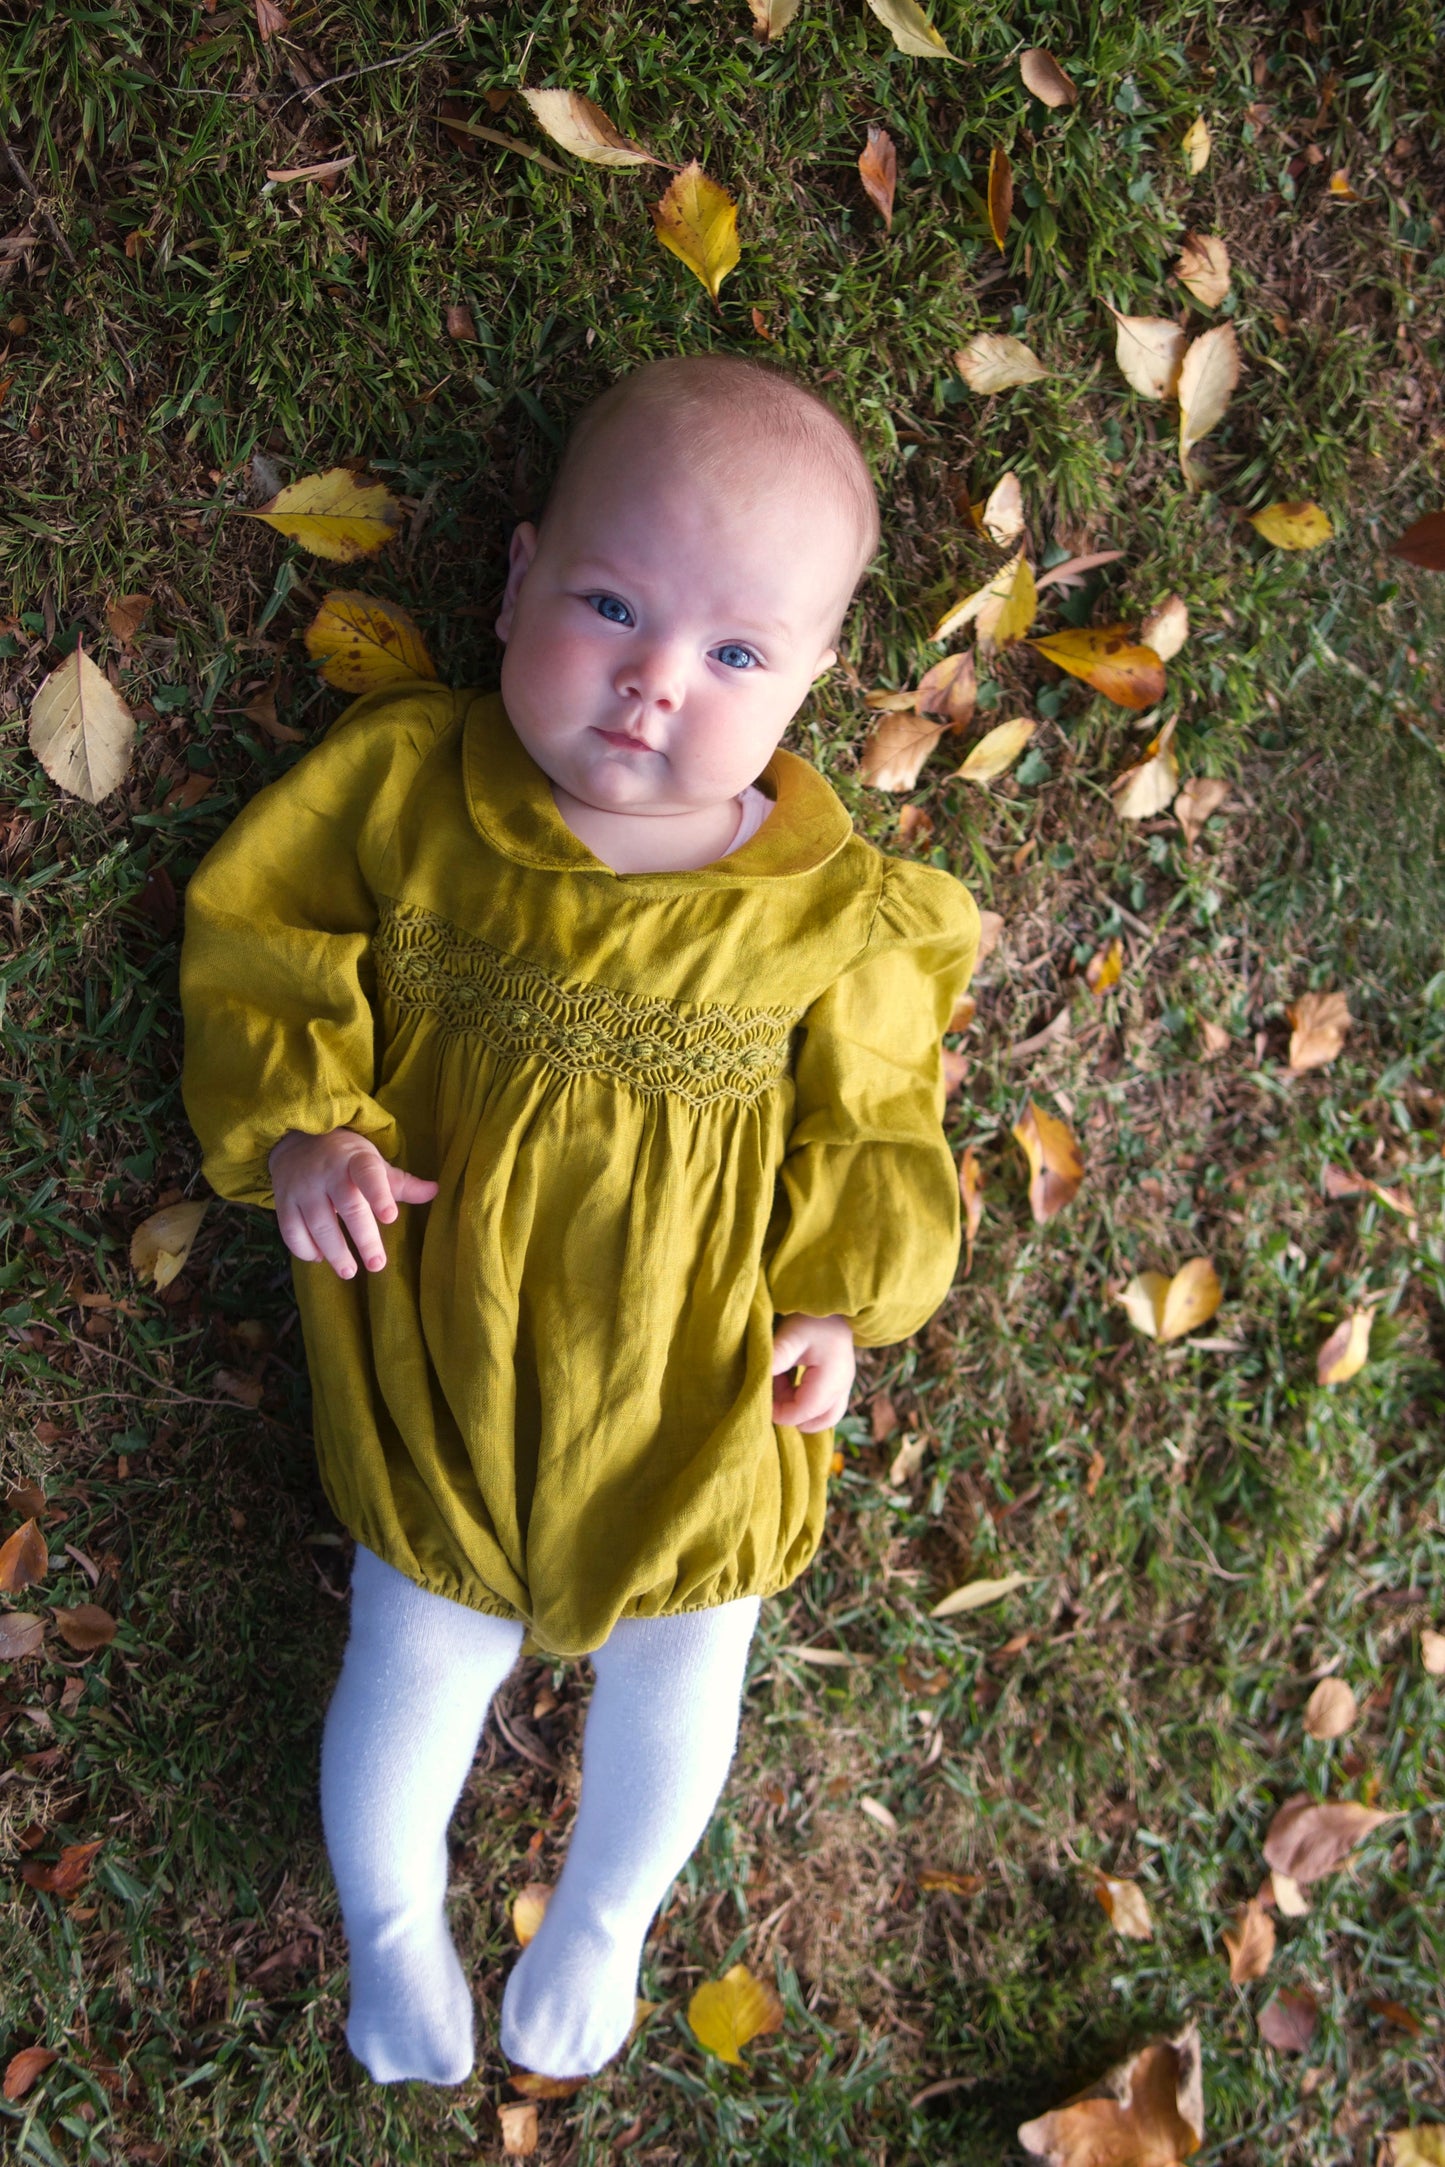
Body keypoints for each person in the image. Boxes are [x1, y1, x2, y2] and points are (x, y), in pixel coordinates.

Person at [179, 352, 981, 2088]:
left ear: (812, 683)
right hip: (443, 1357)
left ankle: (608, 1912)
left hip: (695, 1380)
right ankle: (393, 1926)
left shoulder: (843, 918)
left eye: (734, 656)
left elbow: (876, 1118)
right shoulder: (410, 789)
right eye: (611, 604)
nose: (651, 683)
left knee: (695, 1656)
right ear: (518, 570)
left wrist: (839, 1308)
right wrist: (309, 1124)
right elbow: (269, 935)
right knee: (417, 1646)